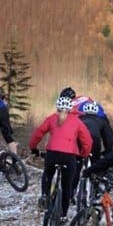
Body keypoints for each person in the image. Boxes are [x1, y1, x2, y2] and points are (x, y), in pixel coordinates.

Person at [29, 90, 93, 219]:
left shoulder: (52, 118)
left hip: (52, 154)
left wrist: (33, 148)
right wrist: (83, 155)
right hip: (70, 156)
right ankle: (63, 215)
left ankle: (45, 195)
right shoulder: (77, 121)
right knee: (66, 186)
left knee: (48, 173)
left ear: (58, 107)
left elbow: (38, 133)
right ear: (71, 109)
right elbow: (87, 141)